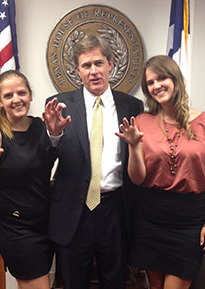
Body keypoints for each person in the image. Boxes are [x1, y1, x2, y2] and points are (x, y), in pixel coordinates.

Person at [42, 34, 144, 289]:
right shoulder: (60, 105)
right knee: (73, 282)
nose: (94, 71)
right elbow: (45, 159)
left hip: (115, 210)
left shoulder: (133, 106)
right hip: (75, 212)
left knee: (115, 282)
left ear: (110, 64)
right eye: (86, 66)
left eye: (98, 63)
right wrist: (53, 135)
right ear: (78, 70)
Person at [115, 55, 205, 289]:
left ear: (175, 79)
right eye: (150, 83)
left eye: (161, 78)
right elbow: (137, 178)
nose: (156, 86)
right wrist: (134, 146)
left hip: (189, 220)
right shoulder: (142, 122)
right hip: (150, 217)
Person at [0, 70, 59, 289]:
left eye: (21, 92)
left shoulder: (40, 127)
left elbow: (45, 170)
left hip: (44, 224)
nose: (16, 99)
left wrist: (56, 136)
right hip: (16, 228)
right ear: (0, 101)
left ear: (30, 95)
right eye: (8, 95)